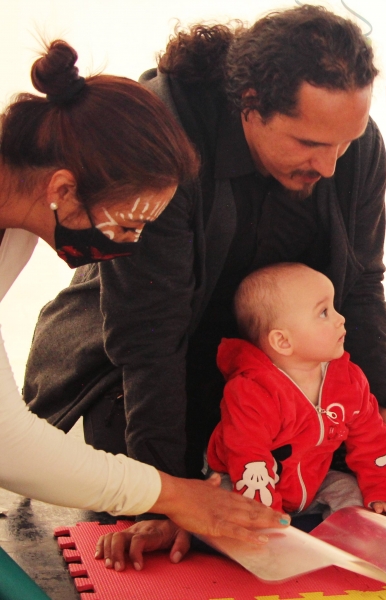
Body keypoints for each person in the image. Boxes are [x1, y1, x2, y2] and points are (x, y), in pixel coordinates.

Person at [22, 5, 386, 555]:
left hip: (275, 379)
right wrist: (165, 493)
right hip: (148, 374)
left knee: (327, 495)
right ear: (249, 107)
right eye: (308, 144)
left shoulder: (351, 146)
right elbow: (148, 332)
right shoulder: (169, 137)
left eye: (345, 143)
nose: (330, 166)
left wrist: (383, 400)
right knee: (167, 519)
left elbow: (360, 283)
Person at [0, 39, 289, 570]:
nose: (129, 247)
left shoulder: (17, 206)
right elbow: (6, 444)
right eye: (127, 225)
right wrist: (176, 495)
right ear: (63, 189)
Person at [208, 263, 386, 523]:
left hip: (314, 485)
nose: (340, 318)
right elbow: (249, 459)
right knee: (218, 508)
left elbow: (371, 440)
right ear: (283, 341)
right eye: (324, 312)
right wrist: (269, 518)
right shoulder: (250, 391)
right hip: (242, 483)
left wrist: (382, 493)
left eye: (334, 307)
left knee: (353, 494)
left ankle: (358, 537)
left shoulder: (349, 379)